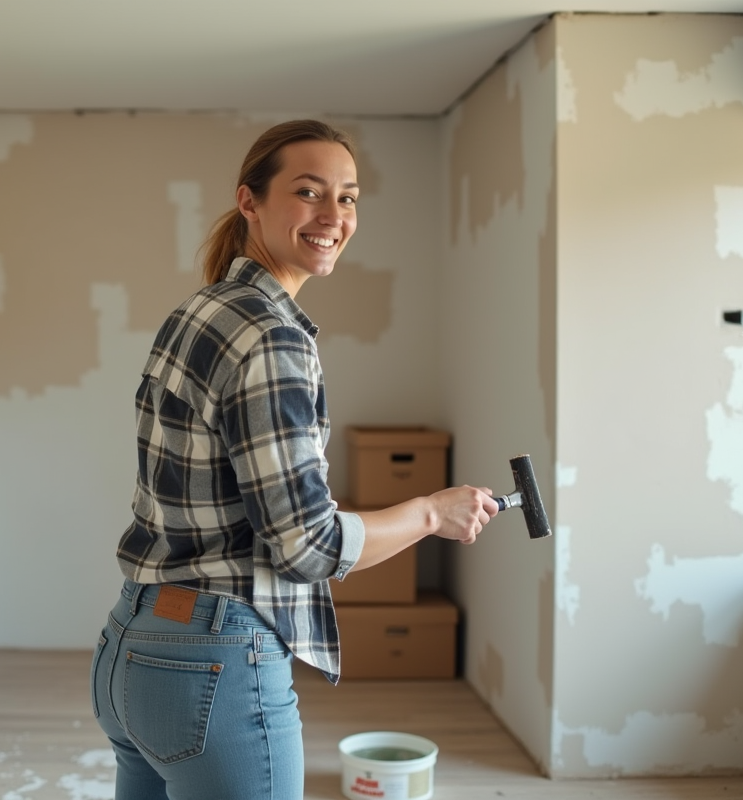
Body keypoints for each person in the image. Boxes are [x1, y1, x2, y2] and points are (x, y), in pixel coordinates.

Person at [89, 119, 499, 800]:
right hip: (212, 661)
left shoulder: (201, 309)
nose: (334, 216)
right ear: (249, 200)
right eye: (309, 192)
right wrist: (429, 512)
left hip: (132, 648)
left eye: (349, 197)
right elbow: (306, 545)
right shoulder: (270, 336)